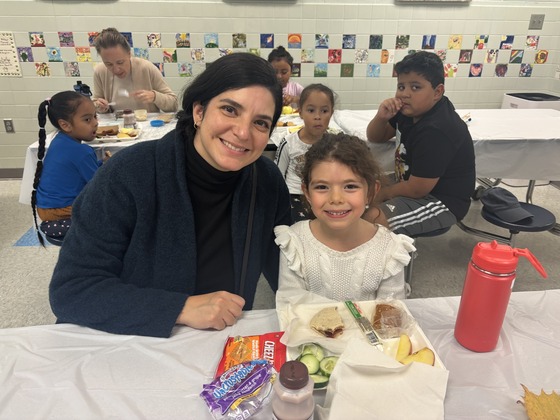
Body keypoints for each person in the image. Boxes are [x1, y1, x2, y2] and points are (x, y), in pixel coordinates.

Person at [49, 53, 292, 338]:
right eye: (229, 110)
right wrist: (181, 308)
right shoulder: (130, 173)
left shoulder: (265, 180)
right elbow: (72, 290)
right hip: (131, 343)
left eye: (260, 123)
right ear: (199, 111)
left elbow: (287, 271)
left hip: (220, 347)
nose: (242, 132)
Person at [274, 133, 415, 305]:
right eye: (322, 187)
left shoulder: (389, 249)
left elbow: (391, 314)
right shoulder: (294, 243)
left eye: (350, 186)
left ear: (370, 191)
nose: (336, 198)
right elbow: (290, 308)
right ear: (307, 193)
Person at [365, 51, 475, 237]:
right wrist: (381, 117)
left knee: (371, 219)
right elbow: (377, 136)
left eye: (415, 87)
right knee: (357, 189)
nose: (405, 94)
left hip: (440, 201)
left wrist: (382, 195)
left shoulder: (438, 129)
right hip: (410, 184)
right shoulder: (408, 110)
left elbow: (417, 189)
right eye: (401, 86)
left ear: (437, 92)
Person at [31, 91, 109, 246]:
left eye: (95, 116)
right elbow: (100, 186)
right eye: (87, 119)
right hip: (59, 211)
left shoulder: (60, 140)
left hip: (46, 208)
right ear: (65, 125)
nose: (95, 123)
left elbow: (85, 173)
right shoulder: (81, 152)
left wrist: (103, 164)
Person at [275, 83, 335, 222]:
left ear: (331, 113)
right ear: (300, 112)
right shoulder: (289, 143)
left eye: (324, 111)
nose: (317, 116)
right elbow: (278, 174)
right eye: (311, 110)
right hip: (294, 195)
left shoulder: (334, 144)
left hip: (324, 195)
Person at [92, 27, 178, 114]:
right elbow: (96, 104)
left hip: (145, 124)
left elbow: (173, 104)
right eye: (109, 64)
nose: (116, 69)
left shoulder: (146, 68)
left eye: (120, 62)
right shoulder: (100, 71)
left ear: (129, 54)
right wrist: (99, 106)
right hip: (115, 124)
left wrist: (155, 96)